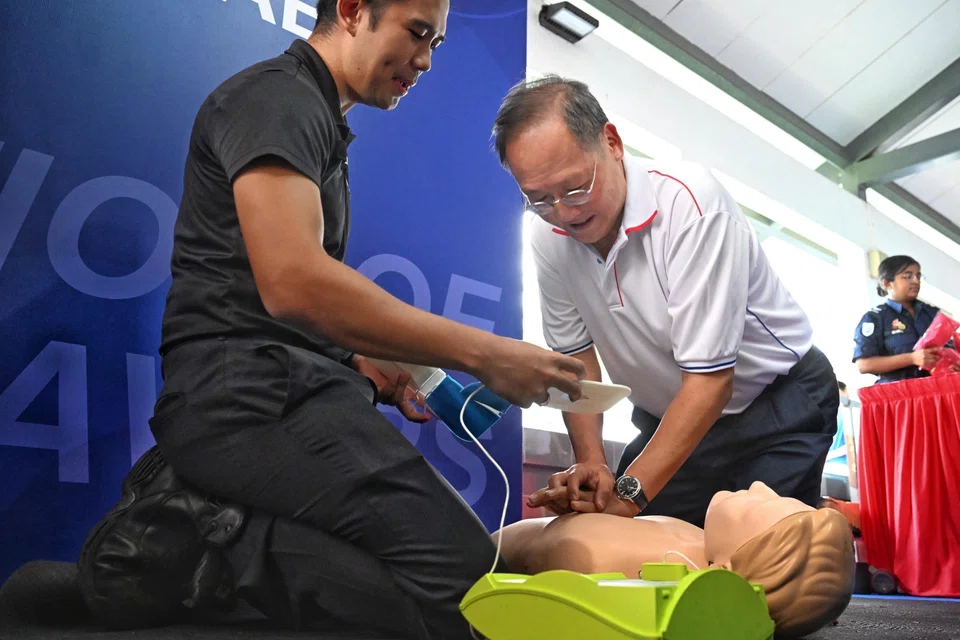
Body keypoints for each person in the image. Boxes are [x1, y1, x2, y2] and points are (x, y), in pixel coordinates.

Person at [145, 2, 586, 638]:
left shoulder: (315, 118)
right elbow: (294, 282)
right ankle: (214, 543)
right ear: (353, 10)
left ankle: (222, 543)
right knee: (468, 590)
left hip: (278, 387)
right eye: (416, 33)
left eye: (435, 43)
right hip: (243, 399)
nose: (425, 60)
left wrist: (352, 356)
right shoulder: (278, 99)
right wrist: (485, 354)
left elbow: (269, 291)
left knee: (419, 589)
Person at [491, 75, 840, 528]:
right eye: (539, 199)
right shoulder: (547, 235)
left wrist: (628, 497)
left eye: (575, 188)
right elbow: (576, 361)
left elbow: (710, 382)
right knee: (627, 543)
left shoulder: (691, 204)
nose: (564, 212)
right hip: (671, 419)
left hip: (774, 407)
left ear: (612, 142)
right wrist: (592, 461)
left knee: (757, 554)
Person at [493, 481, 856, 639]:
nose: (760, 486)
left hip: (484, 557)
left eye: (756, 506)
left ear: (723, 571)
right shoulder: (700, 545)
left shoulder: (595, 557)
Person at [853, 254, 959, 383]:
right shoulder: (875, 318)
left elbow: (950, 349)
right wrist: (912, 358)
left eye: (918, 276)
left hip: (939, 388)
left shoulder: (932, 314)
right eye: (907, 276)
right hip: (899, 392)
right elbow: (864, 365)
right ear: (887, 283)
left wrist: (954, 363)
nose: (916, 281)